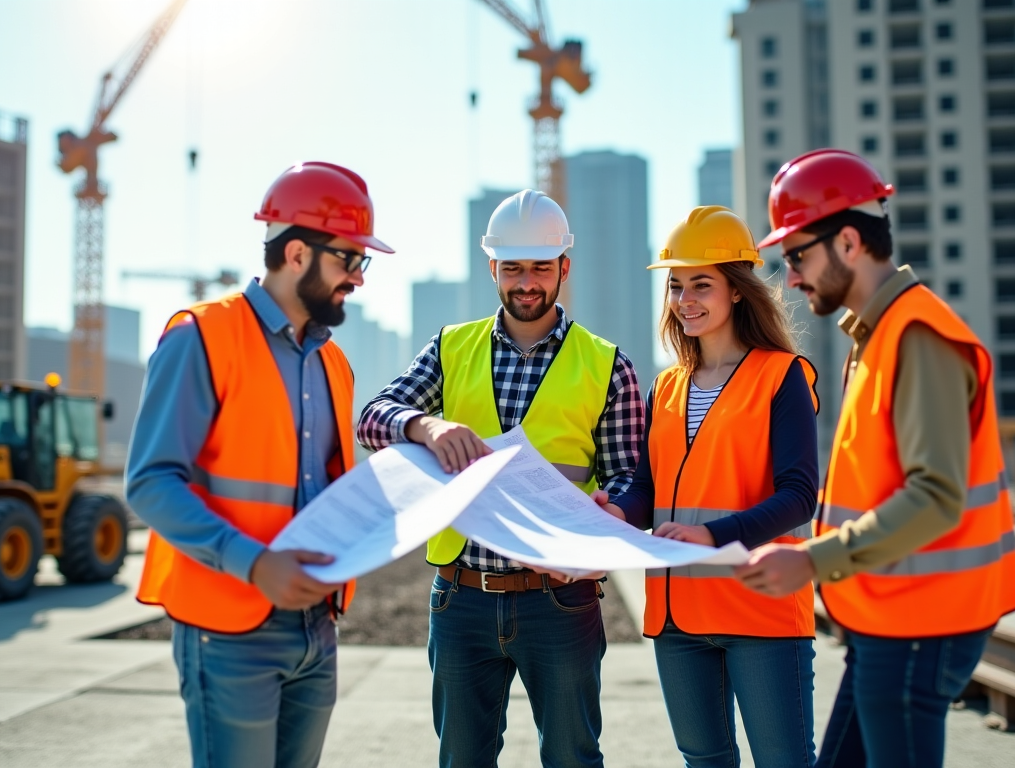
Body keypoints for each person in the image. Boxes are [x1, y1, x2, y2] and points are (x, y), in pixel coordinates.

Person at [732, 149, 1015, 768]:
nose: (791, 278)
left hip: (925, 618)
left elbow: (937, 497)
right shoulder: (877, 337)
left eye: (798, 256)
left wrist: (814, 560)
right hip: (890, 616)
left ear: (847, 243)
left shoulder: (918, 338)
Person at [357, 189, 644, 768]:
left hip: (560, 602)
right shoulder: (449, 348)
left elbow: (632, 481)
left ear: (565, 266)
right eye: (512, 268)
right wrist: (425, 426)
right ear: (492, 268)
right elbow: (372, 418)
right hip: (461, 599)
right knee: (462, 760)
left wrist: (603, 524)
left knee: (572, 758)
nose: (527, 282)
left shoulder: (607, 364)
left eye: (541, 267)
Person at [127, 162, 394, 768]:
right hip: (226, 629)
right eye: (348, 260)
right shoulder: (202, 337)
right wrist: (254, 562)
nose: (357, 278)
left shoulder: (335, 366)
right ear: (297, 253)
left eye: (361, 263)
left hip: (315, 629)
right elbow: (149, 483)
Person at [603, 206, 820, 768]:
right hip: (679, 616)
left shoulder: (781, 375)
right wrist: (618, 513)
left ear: (739, 291)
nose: (685, 299)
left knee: (784, 762)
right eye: (676, 285)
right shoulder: (666, 386)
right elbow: (649, 488)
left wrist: (713, 536)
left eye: (702, 284)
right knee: (704, 761)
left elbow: (799, 496)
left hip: (760, 609)